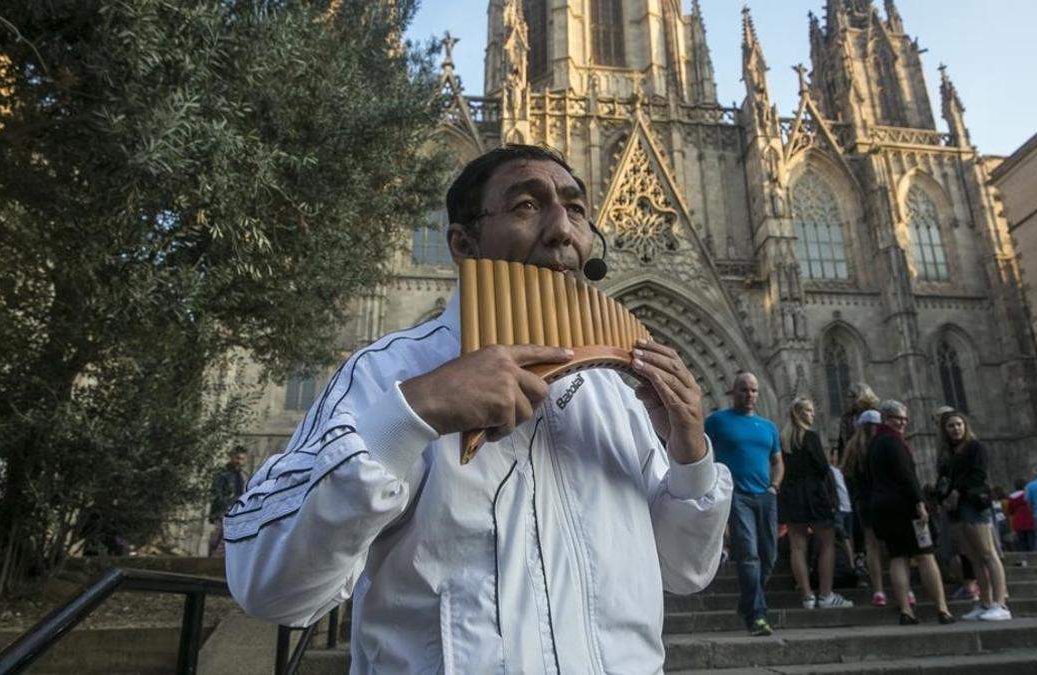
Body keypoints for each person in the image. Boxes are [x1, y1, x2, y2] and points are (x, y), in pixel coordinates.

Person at [223, 145, 733, 673]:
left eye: (577, 209)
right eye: (527, 206)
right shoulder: (385, 374)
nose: (563, 229)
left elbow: (685, 571)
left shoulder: (620, 394)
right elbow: (269, 588)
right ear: (465, 245)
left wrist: (690, 454)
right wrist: (411, 414)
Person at [865, 400, 954, 625]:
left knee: (898, 557)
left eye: (905, 419)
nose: (903, 423)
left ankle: (906, 610)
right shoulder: (894, 442)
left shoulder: (874, 443)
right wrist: (919, 503)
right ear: (886, 419)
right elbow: (907, 476)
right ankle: (942, 609)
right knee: (925, 555)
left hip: (882, 507)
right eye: (898, 418)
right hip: (905, 507)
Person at [706, 373, 782, 636]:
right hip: (737, 496)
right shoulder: (716, 421)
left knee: (769, 556)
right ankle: (757, 616)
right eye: (744, 390)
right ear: (732, 392)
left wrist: (775, 487)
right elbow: (701, 451)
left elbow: (778, 460)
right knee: (749, 555)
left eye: (753, 390)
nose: (749, 395)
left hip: (765, 496)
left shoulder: (768, 427)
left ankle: (747, 602)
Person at [778, 397, 853, 610]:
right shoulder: (810, 437)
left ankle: (807, 596)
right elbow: (822, 467)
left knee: (797, 547)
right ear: (800, 414)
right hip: (814, 495)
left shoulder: (783, 441)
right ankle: (826, 595)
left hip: (792, 497)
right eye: (809, 411)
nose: (813, 414)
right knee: (827, 543)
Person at [937, 411, 1011, 621]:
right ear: (945, 430)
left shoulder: (975, 447)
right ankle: (985, 602)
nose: (956, 428)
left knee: (988, 554)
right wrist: (943, 495)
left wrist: (956, 491)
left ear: (965, 426)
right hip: (956, 507)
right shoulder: (949, 453)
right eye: (951, 426)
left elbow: (978, 474)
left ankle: (1000, 604)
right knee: (973, 556)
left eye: (959, 424)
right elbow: (945, 478)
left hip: (973, 504)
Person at [841, 409, 889, 606]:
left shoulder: (853, 449)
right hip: (886, 499)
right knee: (892, 546)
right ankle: (902, 588)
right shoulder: (885, 444)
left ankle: (878, 590)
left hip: (864, 502)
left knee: (871, 546)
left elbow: (847, 476)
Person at [208, 446, 248, 557]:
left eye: (242, 459)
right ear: (231, 457)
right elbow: (216, 492)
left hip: (237, 513)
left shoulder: (243, 475)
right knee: (217, 537)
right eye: (237, 458)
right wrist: (226, 507)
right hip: (223, 511)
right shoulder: (223, 473)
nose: (239, 462)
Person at [1007, 481, 1035, 552]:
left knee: (1021, 541)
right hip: (1029, 518)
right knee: (1031, 539)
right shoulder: (1026, 494)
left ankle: (1024, 556)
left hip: (1018, 519)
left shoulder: (1011, 497)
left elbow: (1010, 511)